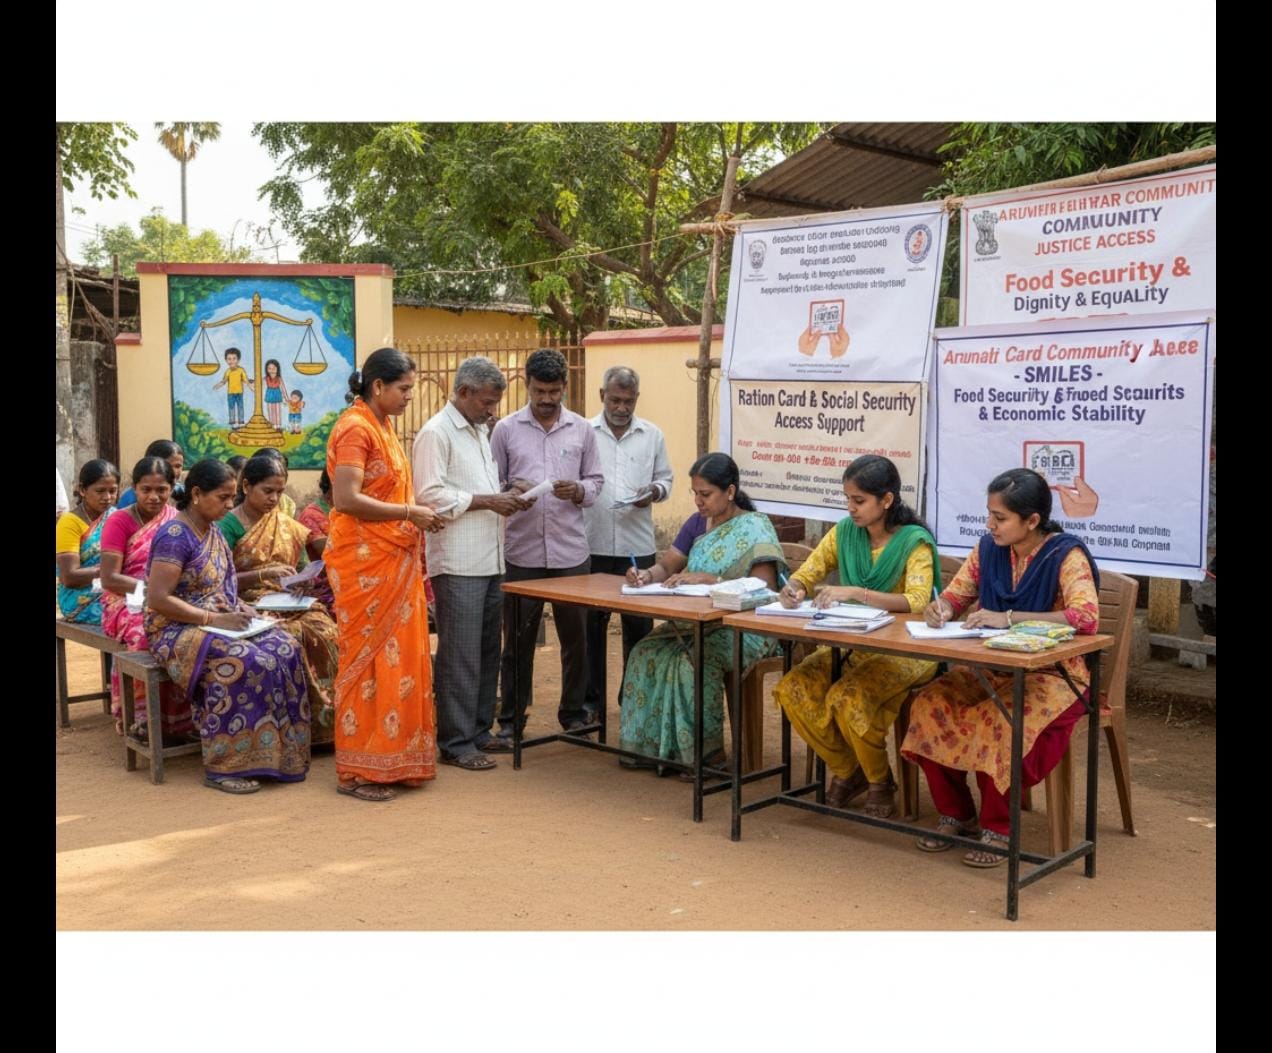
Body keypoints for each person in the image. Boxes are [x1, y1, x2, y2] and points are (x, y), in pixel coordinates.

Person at [902, 468, 1100, 867]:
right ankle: (956, 813)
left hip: (1054, 675)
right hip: (991, 667)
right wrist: (941, 609)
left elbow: (1085, 617)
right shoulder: (988, 549)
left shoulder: (1065, 555)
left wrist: (1008, 618)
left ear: (1032, 520)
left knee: (1001, 720)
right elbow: (956, 595)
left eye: (1000, 517)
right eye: (989, 515)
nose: (990, 524)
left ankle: (998, 826)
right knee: (929, 704)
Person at [771, 455, 940, 817]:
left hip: (906, 649)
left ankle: (879, 781)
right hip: (851, 643)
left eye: (859, 500)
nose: (851, 508)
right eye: (848, 499)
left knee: (849, 698)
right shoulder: (844, 533)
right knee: (793, 689)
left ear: (887, 500)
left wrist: (857, 593)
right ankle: (851, 771)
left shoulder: (914, 542)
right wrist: (794, 588)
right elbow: (810, 571)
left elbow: (917, 601)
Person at [145, 459, 310, 794]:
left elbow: (226, 588)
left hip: (220, 619)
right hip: (176, 627)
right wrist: (213, 619)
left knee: (286, 647)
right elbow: (158, 599)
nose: (229, 504)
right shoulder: (175, 536)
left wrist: (251, 614)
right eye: (222, 497)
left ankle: (277, 756)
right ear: (196, 494)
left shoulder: (214, 531)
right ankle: (225, 765)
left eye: (232, 497)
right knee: (246, 660)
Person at [326, 348, 445, 802]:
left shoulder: (383, 426)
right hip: (365, 564)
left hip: (392, 558)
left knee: (400, 657)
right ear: (378, 386)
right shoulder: (356, 428)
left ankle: (396, 759)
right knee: (368, 661)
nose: (409, 396)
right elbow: (346, 499)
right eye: (404, 388)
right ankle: (359, 770)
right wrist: (409, 513)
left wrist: (413, 516)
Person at [618, 453, 787, 772]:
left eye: (705, 494)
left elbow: (763, 588)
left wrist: (713, 581)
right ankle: (655, 751)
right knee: (644, 652)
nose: (698, 501)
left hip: (745, 627)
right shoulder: (697, 523)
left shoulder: (755, 527)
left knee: (692, 661)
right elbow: (668, 565)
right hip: (696, 622)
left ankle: (706, 756)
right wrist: (645, 575)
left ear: (730, 492)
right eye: (695, 493)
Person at [413, 356, 532, 770]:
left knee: (486, 651)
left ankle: (479, 732)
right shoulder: (436, 433)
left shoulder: (480, 431)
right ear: (463, 392)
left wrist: (508, 492)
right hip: (458, 561)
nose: (492, 410)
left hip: (490, 557)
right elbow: (429, 496)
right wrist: (489, 500)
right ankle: (456, 741)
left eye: (495, 402)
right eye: (486, 402)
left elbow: (472, 488)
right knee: (460, 654)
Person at [490, 347, 604, 740]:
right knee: (517, 641)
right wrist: (512, 490)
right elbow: (493, 482)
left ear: (564, 387)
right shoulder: (506, 430)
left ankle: (573, 714)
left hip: (570, 553)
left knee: (576, 640)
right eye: (539, 391)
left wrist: (579, 490)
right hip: (521, 553)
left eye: (554, 391)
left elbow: (596, 482)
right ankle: (511, 720)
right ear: (527, 385)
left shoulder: (582, 430)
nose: (546, 399)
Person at [219, 452, 340, 747]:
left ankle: (325, 726)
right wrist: (263, 575)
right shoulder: (228, 526)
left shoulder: (285, 525)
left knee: (325, 631)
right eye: (267, 491)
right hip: (246, 604)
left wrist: (303, 581)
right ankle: (288, 728)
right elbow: (219, 579)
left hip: (287, 601)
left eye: (279, 491)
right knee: (289, 639)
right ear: (246, 487)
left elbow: (300, 566)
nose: (274, 499)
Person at [583, 366, 673, 723]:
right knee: (590, 630)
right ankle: (591, 705)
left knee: (638, 630)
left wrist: (653, 491)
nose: (621, 407)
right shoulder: (584, 432)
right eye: (615, 400)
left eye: (628, 401)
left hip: (637, 548)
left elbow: (665, 480)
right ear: (601, 395)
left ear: (637, 399)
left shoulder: (652, 435)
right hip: (591, 544)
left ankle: (633, 701)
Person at [99, 457, 193, 738]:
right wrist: (152, 589)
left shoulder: (176, 520)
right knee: (144, 633)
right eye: (146, 489)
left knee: (189, 632)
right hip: (126, 599)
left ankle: (181, 719)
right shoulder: (119, 521)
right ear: (134, 488)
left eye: (161, 490)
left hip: (167, 596)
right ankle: (141, 717)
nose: (154, 497)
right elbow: (109, 578)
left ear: (172, 488)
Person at [56, 459, 119, 625]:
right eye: (100, 491)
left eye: (112, 491)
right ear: (83, 490)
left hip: (114, 588)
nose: (107, 497)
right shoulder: (69, 522)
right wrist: (112, 572)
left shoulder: (115, 516)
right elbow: (69, 577)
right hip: (80, 599)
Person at [118, 440, 185, 508]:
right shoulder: (132, 498)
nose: (173, 471)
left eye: (178, 466)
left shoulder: (180, 490)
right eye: (167, 466)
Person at [212, 347, 252, 427]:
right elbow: (224, 381)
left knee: (240, 407)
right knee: (231, 407)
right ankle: (233, 422)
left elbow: (246, 380)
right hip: (230, 393)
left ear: (238, 360)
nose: (231, 361)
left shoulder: (241, 370)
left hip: (239, 393)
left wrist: (251, 387)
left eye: (234, 358)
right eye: (229, 359)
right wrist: (218, 385)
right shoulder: (228, 371)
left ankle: (241, 422)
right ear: (226, 360)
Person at [262, 358, 289, 429]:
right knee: (270, 412)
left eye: (273, 368)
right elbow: (260, 384)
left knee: (277, 412)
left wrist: (286, 399)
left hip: (277, 396)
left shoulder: (279, 379)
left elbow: (283, 389)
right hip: (269, 396)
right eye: (269, 368)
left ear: (277, 369)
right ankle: (272, 426)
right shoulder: (265, 378)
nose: (271, 370)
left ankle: (278, 426)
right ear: (267, 369)